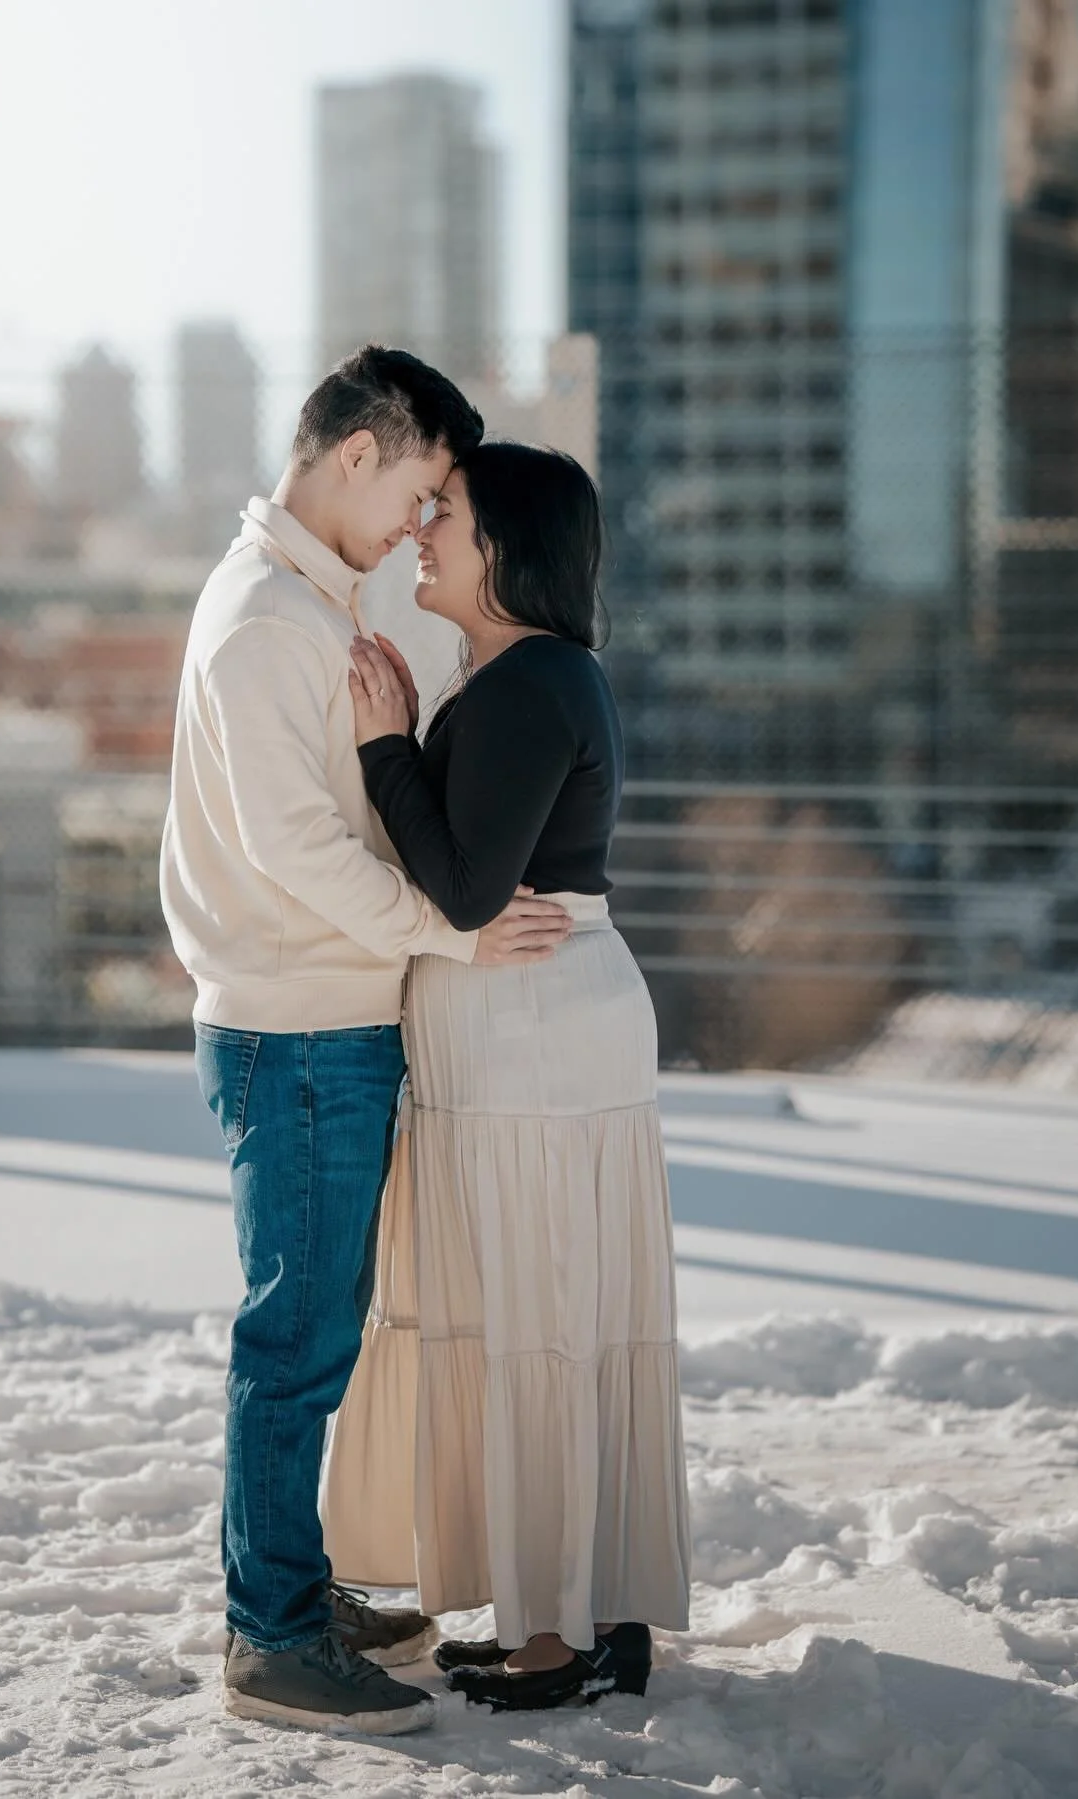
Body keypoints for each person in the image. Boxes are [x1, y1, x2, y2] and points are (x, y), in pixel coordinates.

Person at [159, 349, 575, 1735]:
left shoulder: (298, 600)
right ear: (356, 453)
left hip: (322, 1019)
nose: (417, 521)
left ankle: (285, 1581)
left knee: (318, 1326)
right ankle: (271, 1636)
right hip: (299, 1029)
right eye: (418, 486)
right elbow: (295, 849)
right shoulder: (267, 620)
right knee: (296, 1338)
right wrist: (452, 932)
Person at [321, 442, 692, 1713]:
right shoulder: (527, 673)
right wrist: (414, 736)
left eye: (452, 514)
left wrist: (383, 746)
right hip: (531, 1024)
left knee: (542, 1319)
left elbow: (470, 890)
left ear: (509, 547)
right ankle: (588, 1610)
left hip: (533, 1030)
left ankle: (561, 1638)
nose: (426, 528)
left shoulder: (532, 678)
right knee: (561, 1316)